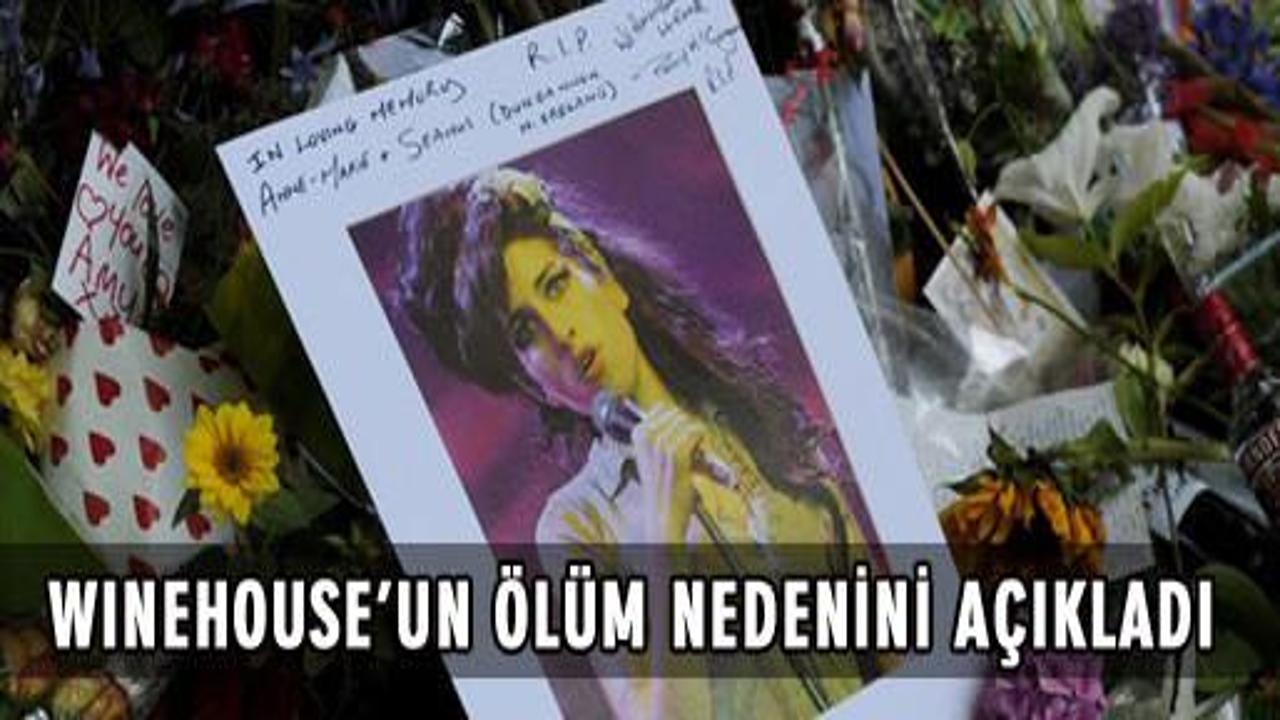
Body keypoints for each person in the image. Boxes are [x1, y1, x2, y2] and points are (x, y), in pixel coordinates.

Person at [398, 167, 873, 718]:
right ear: (533, 383)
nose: (559, 333)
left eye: (555, 285)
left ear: (601, 274)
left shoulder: (752, 407)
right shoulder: (576, 526)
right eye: (525, 334)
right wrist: (662, 536)